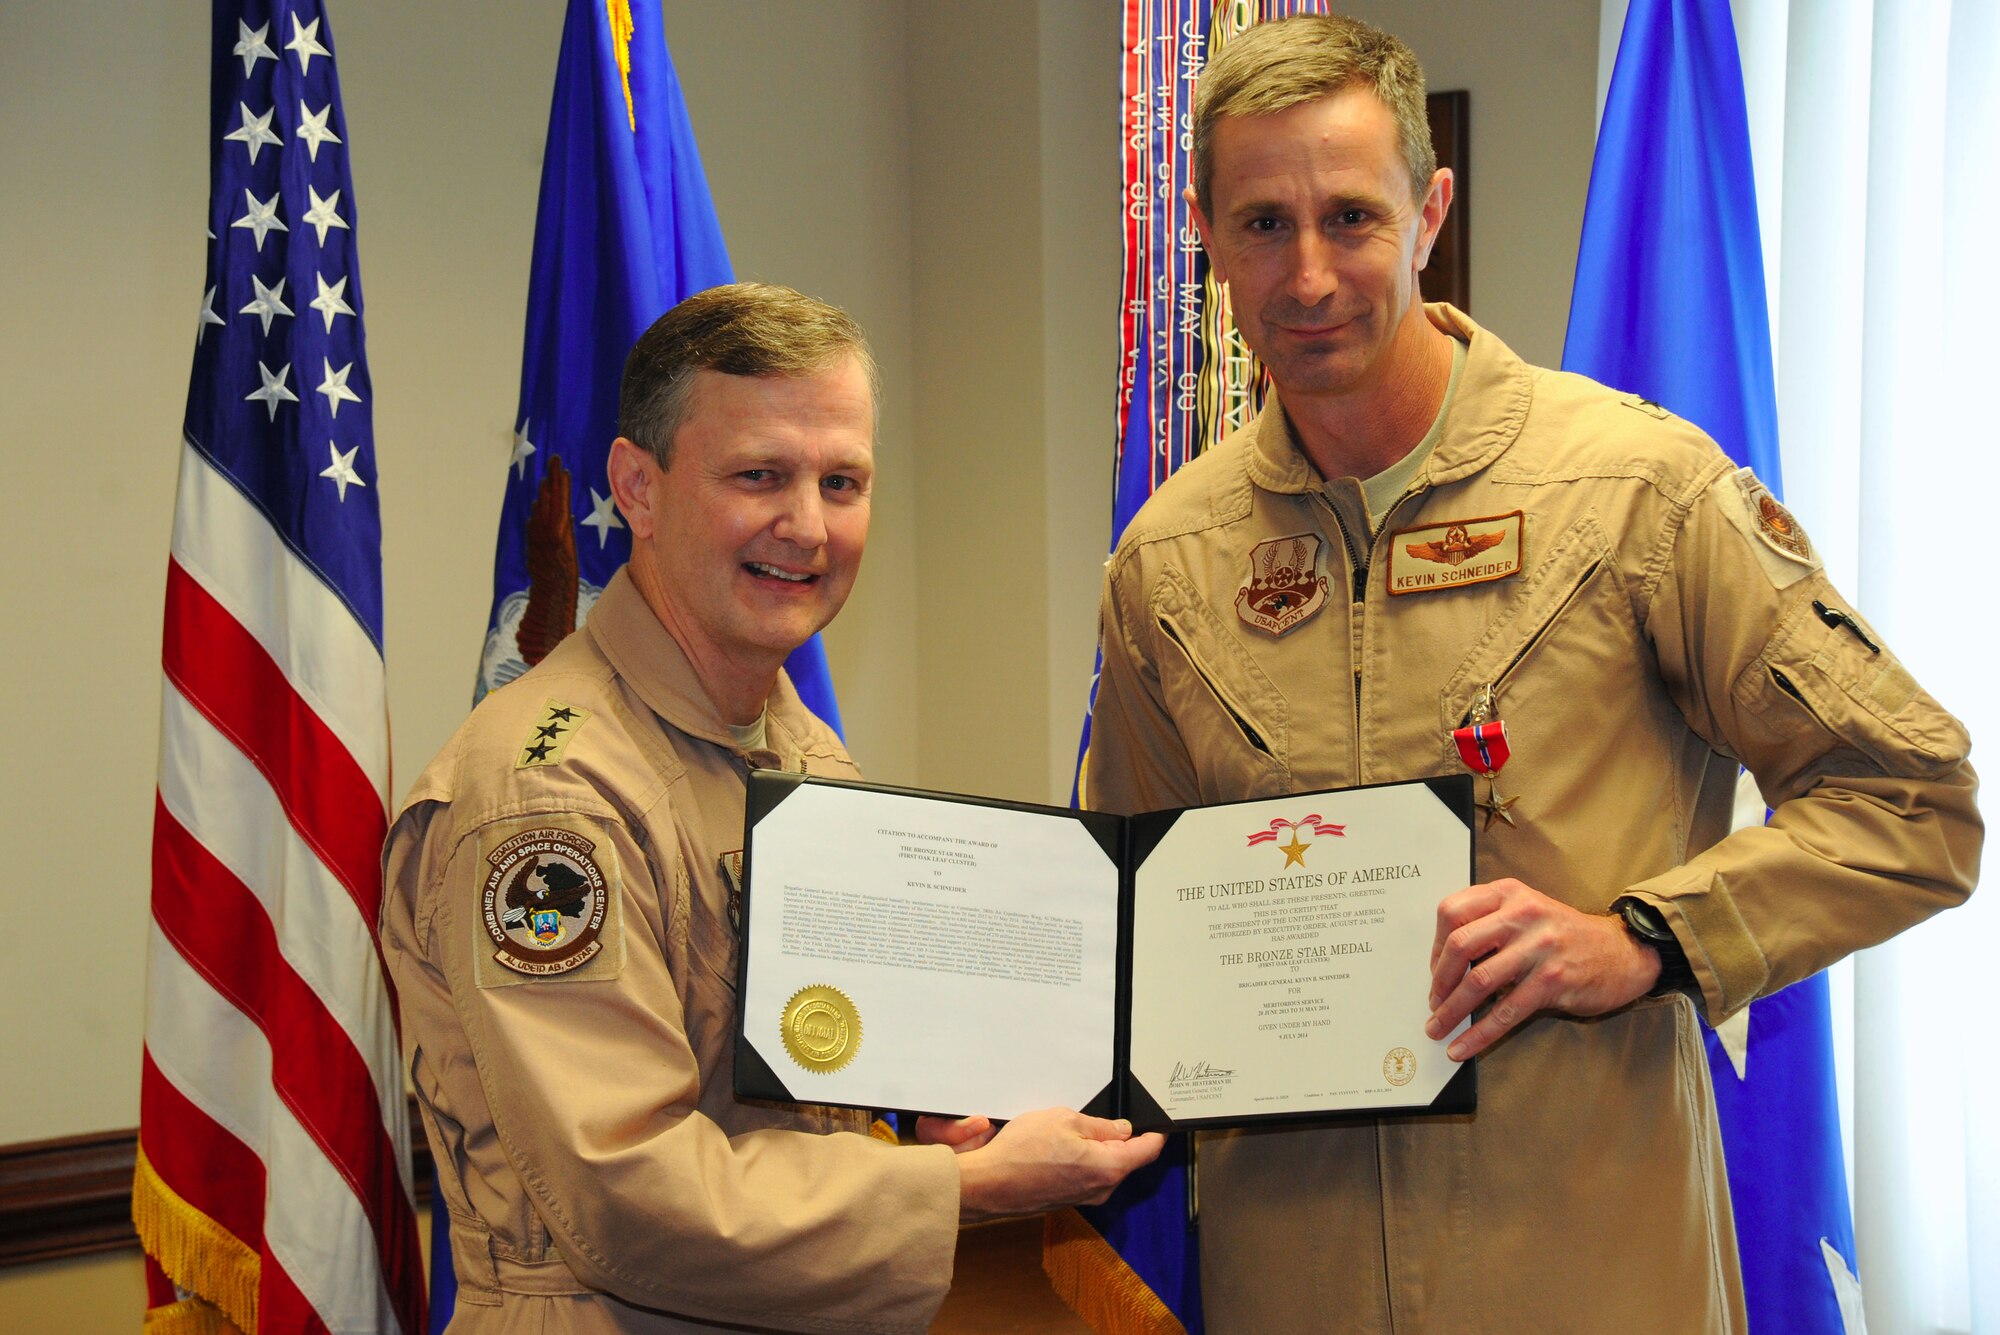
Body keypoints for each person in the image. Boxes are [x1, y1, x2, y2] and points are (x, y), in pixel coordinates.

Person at [1085, 15, 1980, 1333]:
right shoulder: (1169, 561)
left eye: (1351, 215)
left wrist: (1644, 935)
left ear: (1430, 207)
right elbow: (1128, 917)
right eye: (1264, 224)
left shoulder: (1635, 491)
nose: (1312, 272)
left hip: (1590, 1261)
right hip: (1296, 1271)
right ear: (1206, 236)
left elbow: (1916, 799)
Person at [382, 282, 1162, 1333]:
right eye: (759, 476)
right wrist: (960, 1191)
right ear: (637, 489)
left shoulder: (790, 748)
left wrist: (930, 1097)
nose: (807, 526)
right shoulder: (547, 798)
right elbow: (623, 1195)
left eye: (843, 481)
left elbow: (795, 1084)